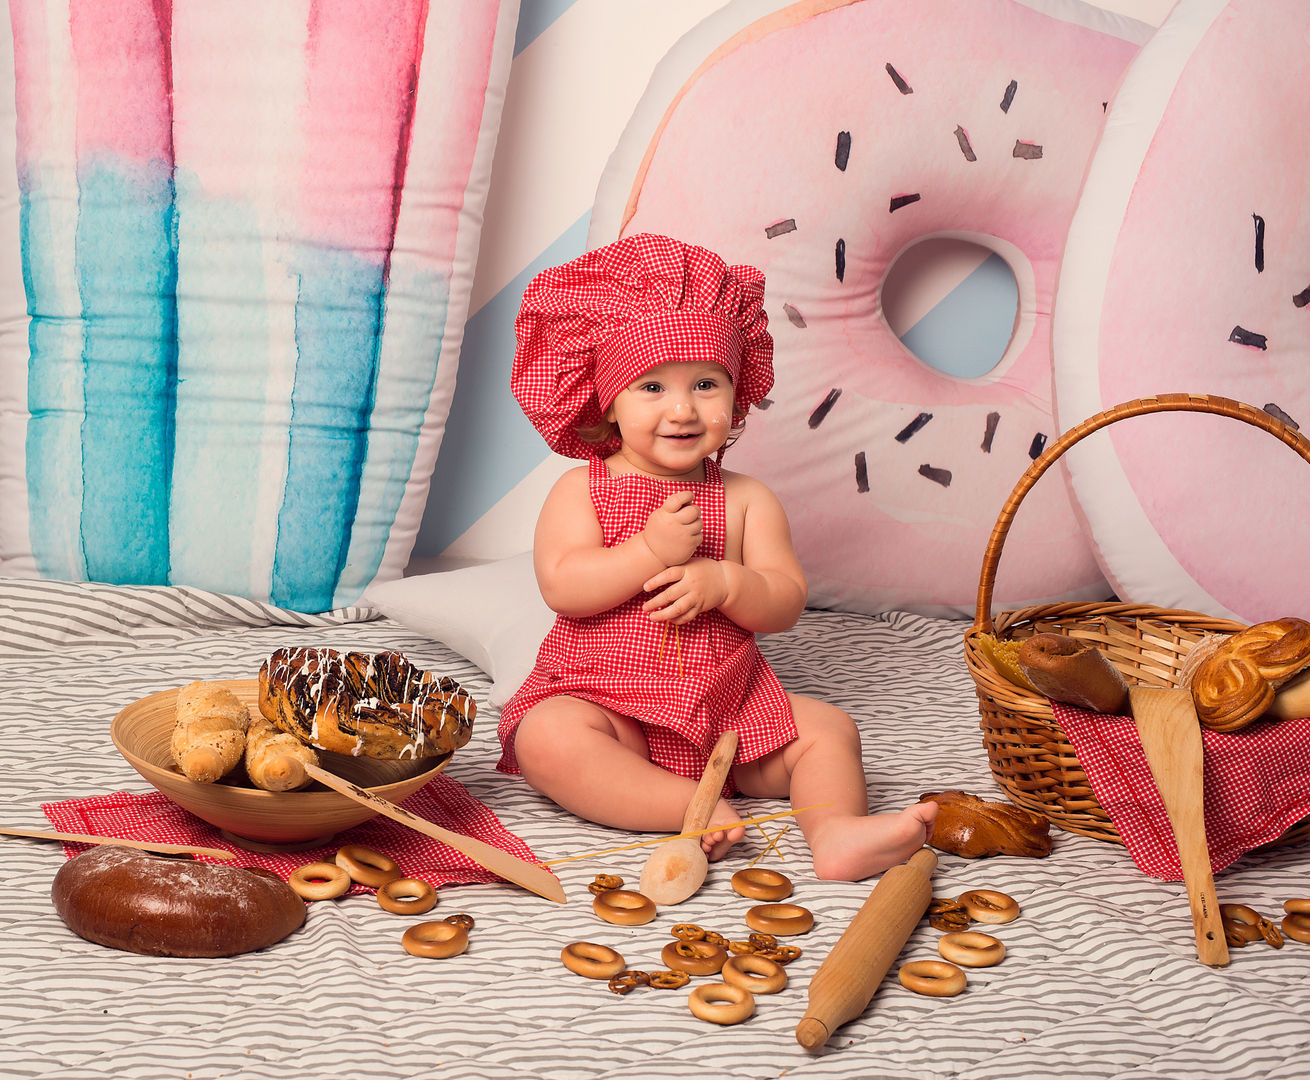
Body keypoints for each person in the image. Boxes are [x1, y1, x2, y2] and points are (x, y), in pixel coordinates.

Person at [497, 233, 936, 881]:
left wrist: (727, 581)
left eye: (705, 384)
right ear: (608, 402)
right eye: (651, 386)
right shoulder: (583, 489)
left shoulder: (747, 499)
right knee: (546, 739)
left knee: (827, 729)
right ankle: (687, 805)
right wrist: (647, 550)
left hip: (729, 713)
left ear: (736, 399)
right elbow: (563, 586)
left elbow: (785, 599)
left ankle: (836, 831)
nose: (682, 408)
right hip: (610, 708)